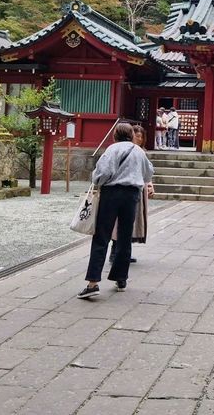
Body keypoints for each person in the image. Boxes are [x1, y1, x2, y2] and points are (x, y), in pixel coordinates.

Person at [77, 122, 154, 299]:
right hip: (132, 195)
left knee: (102, 236)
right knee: (124, 237)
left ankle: (93, 282)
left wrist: (99, 180)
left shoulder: (112, 149)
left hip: (111, 194)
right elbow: (148, 173)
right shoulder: (138, 151)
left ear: (115, 135)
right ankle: (121, 278)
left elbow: (101, 173)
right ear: (131, 135)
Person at [109, 124, 154, 265]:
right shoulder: (126, 151)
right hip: (130, 189)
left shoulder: (139, 151)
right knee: (120, 223)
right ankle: (115, 252)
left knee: (129, 223)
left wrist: (150, 184)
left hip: (135, 189)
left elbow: (147, 172)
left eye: (141, 137)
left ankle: (123, 253)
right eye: (137, 136)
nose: (139, 139)